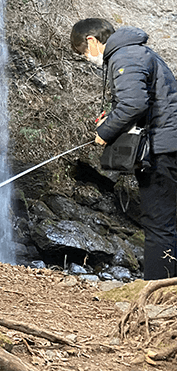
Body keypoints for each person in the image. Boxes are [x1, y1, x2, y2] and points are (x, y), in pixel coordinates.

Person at [71, 18, 177, 279]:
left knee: (159, 224)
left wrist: (105, 132)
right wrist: (113, 116)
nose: (88, 59)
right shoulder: (136, 52)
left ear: (92, 41)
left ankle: (158, 292)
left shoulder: (125, 56)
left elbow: (133, 104)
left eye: (84, 54)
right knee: (167, 222)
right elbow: (144, 102)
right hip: (167, 143)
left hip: (162, 150)